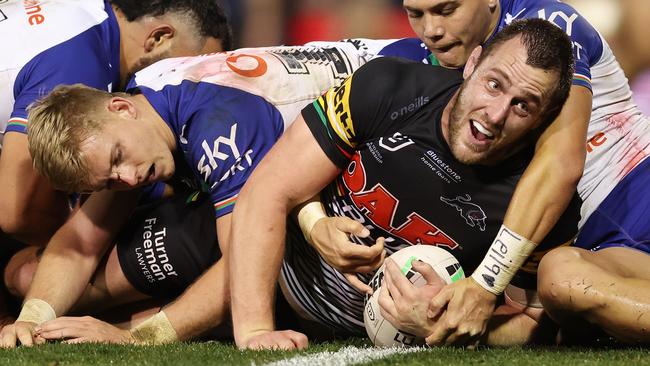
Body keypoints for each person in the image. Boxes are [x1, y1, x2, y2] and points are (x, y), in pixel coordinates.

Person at [0, 40, 389, 347]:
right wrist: (31, 320)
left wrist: (140, 338)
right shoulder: (143, 106)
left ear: (120, 107)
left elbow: (244, 265)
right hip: (347, 144)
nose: (129, 179)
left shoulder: (215, 126)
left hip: (404, 116)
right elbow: (81, 239)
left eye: (118, 158)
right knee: (29, 276)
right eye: (108, 181)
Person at [308, 0, 650, 345]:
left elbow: (559, 166)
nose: (432, 30)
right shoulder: (417, 64)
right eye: (415, 13)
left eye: (446, 9)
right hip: (594, 246)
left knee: (563, 283)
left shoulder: (547, 26)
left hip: (636, 196)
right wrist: (312, 220)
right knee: (566, 292)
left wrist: (486, 283)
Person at [229, 18, 578, 350]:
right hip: (276, 280)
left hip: (369, 339)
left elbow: (533, 319)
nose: (496, 113)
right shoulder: (388, 86)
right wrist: (257, 329)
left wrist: (450, 326)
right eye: (494, 84)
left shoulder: (542, 200)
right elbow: (268, 188)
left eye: (522, 106)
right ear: (472, 64)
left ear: (543, 120)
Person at [0, 0, 232, 247]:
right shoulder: (80, 66)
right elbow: (19, 215)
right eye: (189, 69)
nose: (193, 87)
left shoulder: (83, 17)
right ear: (159, 38)